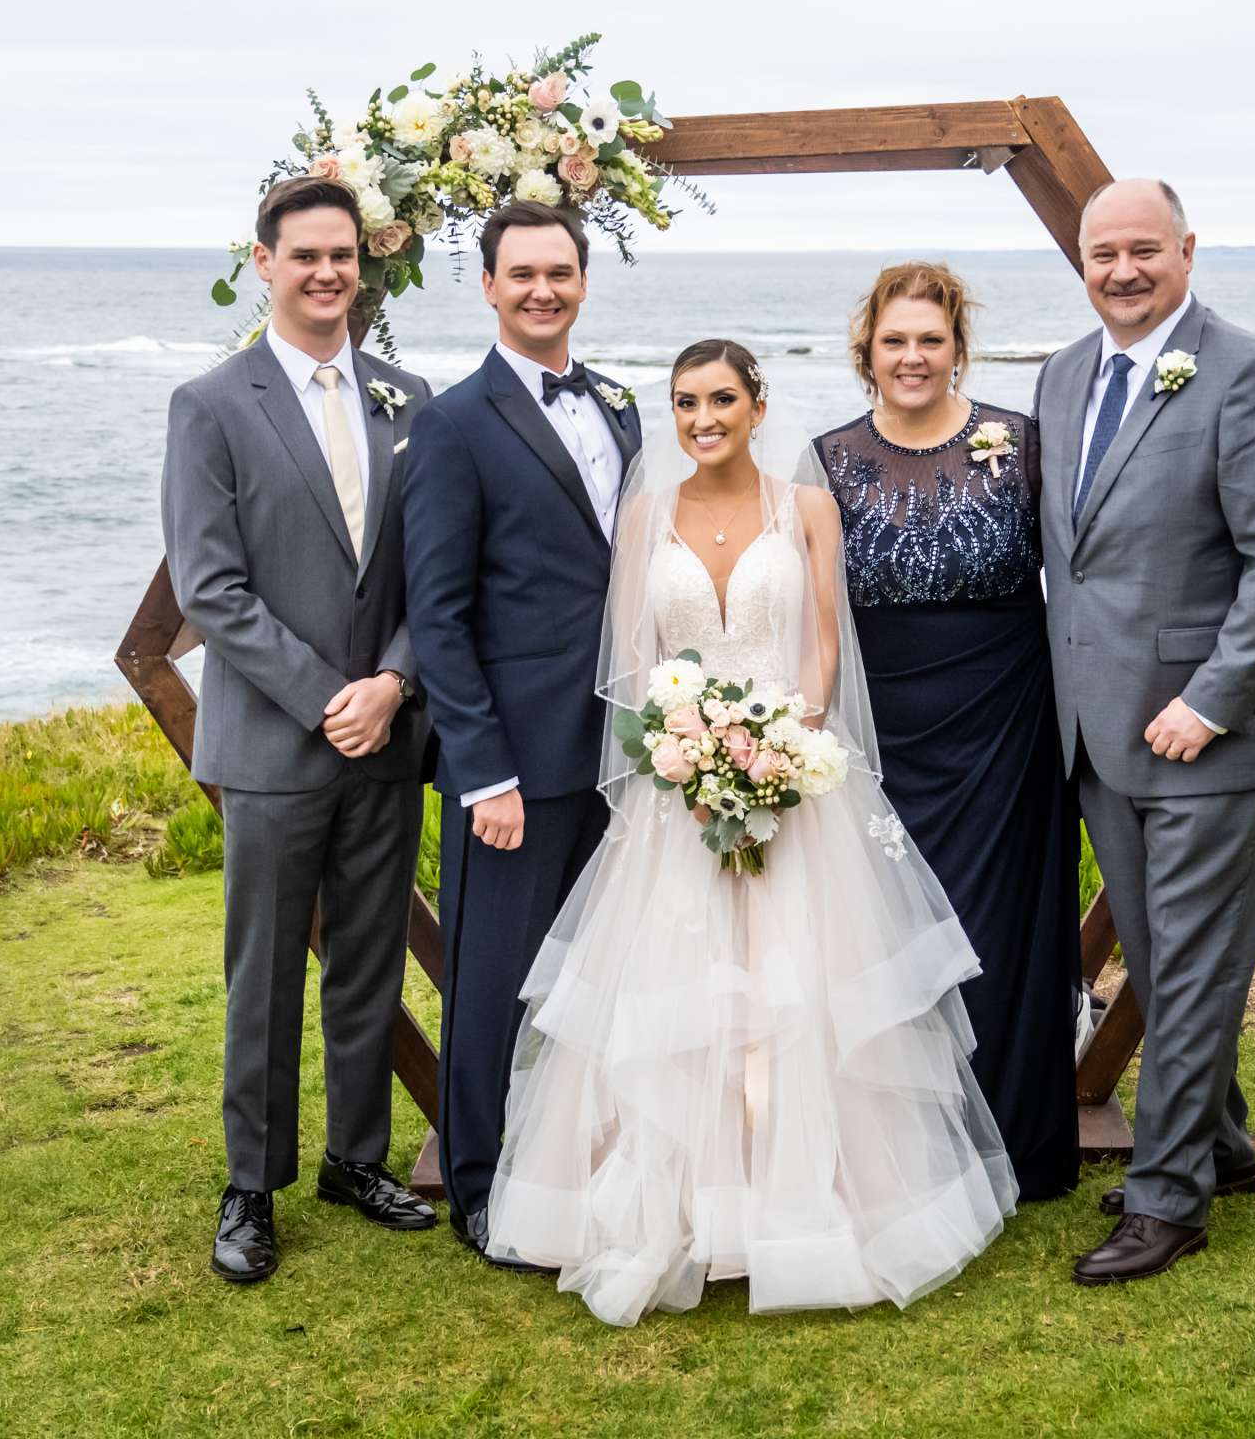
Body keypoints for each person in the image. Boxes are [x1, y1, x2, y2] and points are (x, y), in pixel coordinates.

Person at [484, 340, 1017, 1325]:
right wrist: (688, 757)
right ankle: (685, 1212)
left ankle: (802, 1210)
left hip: (794, 781)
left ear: (758, 404)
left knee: (798, 996)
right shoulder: (646, 516)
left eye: (721, 398)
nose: (702, 418)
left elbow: (823, 642)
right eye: (685, 402)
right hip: (678, 792)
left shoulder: (805, 507)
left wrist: (782, 740)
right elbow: (638, 663)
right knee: (677, 1002)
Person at [1032, 179, 1255, 1286]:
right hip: (1098, 733)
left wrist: (1211, 700)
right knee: (1163, 960)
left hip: (1207, 732)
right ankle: (1220, 1145)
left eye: (1143, 250)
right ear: (1081, 260)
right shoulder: (1063, 376)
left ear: (1188, 252)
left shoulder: (1252, 375)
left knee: (1195, 964)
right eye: (1102, 252)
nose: (1121, 270)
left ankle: (1169, 1200)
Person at [161, 175, 437, 1285]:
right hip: (280, 741)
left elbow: (433, 574)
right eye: (305, 255)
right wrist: (336, 694)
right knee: (264, 972)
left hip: (386, 736)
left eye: (343, 255)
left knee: (369, 961)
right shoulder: (212, 404)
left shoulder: (409, 399)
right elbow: (210, 588)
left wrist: (396, 684)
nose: (327, 272)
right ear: (266, 262)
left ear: (363, 268)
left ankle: (356, 1159)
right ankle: (249, 1184)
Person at [400, 201, 642, 1268]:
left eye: (561, 271)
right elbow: (438, 612)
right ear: (489, 286)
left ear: (583, 281)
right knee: (493, 981)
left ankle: (586, 1157)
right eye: (522, 273)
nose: (543, 289)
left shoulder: (623, 405)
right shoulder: (455, 424)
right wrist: (483, 769)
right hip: (512, 764)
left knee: (608, 972)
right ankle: (482, 1183)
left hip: (623, 754)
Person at [810, 264, 1080, 1200]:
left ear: (958, 347)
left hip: (1007, 722)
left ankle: (1015, 1138)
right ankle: (905, 1147)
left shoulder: (1025, 443)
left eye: (930, 340)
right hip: (881, 731)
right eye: (895, 341)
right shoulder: (828, 459)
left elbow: (1089, 575)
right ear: (867, 354)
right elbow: (804, 607)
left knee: (1000, 928)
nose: (913, 357)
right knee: (884, 929)